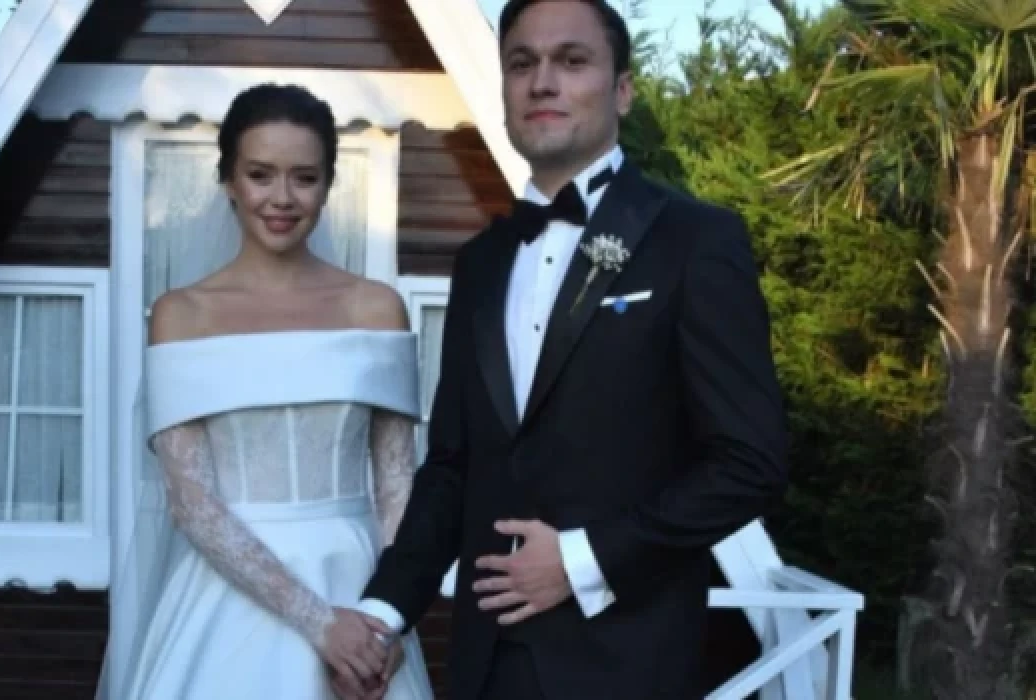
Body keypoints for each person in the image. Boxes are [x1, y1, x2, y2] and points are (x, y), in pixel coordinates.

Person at [351, 1, 790, 698]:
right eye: (521, 63)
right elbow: (452, 466)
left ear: (623, 90)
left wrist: (584, 560)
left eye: (572, 60)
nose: (542, 81)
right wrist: (382, 614)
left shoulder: (696, 242)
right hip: (486, 666)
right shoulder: (480, 264)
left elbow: (750, 462)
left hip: (627, 663)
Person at [121, 82, 435, 699]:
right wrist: (319, 623)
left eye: (304, 178)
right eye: (260, 175)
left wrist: (391, 619)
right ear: (229, 181)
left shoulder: (378, 310)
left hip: (361, 593)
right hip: (227, 605)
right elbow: (192, 505)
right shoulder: (181, 315)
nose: (282, 198)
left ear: (328, 184)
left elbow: (398, 490)